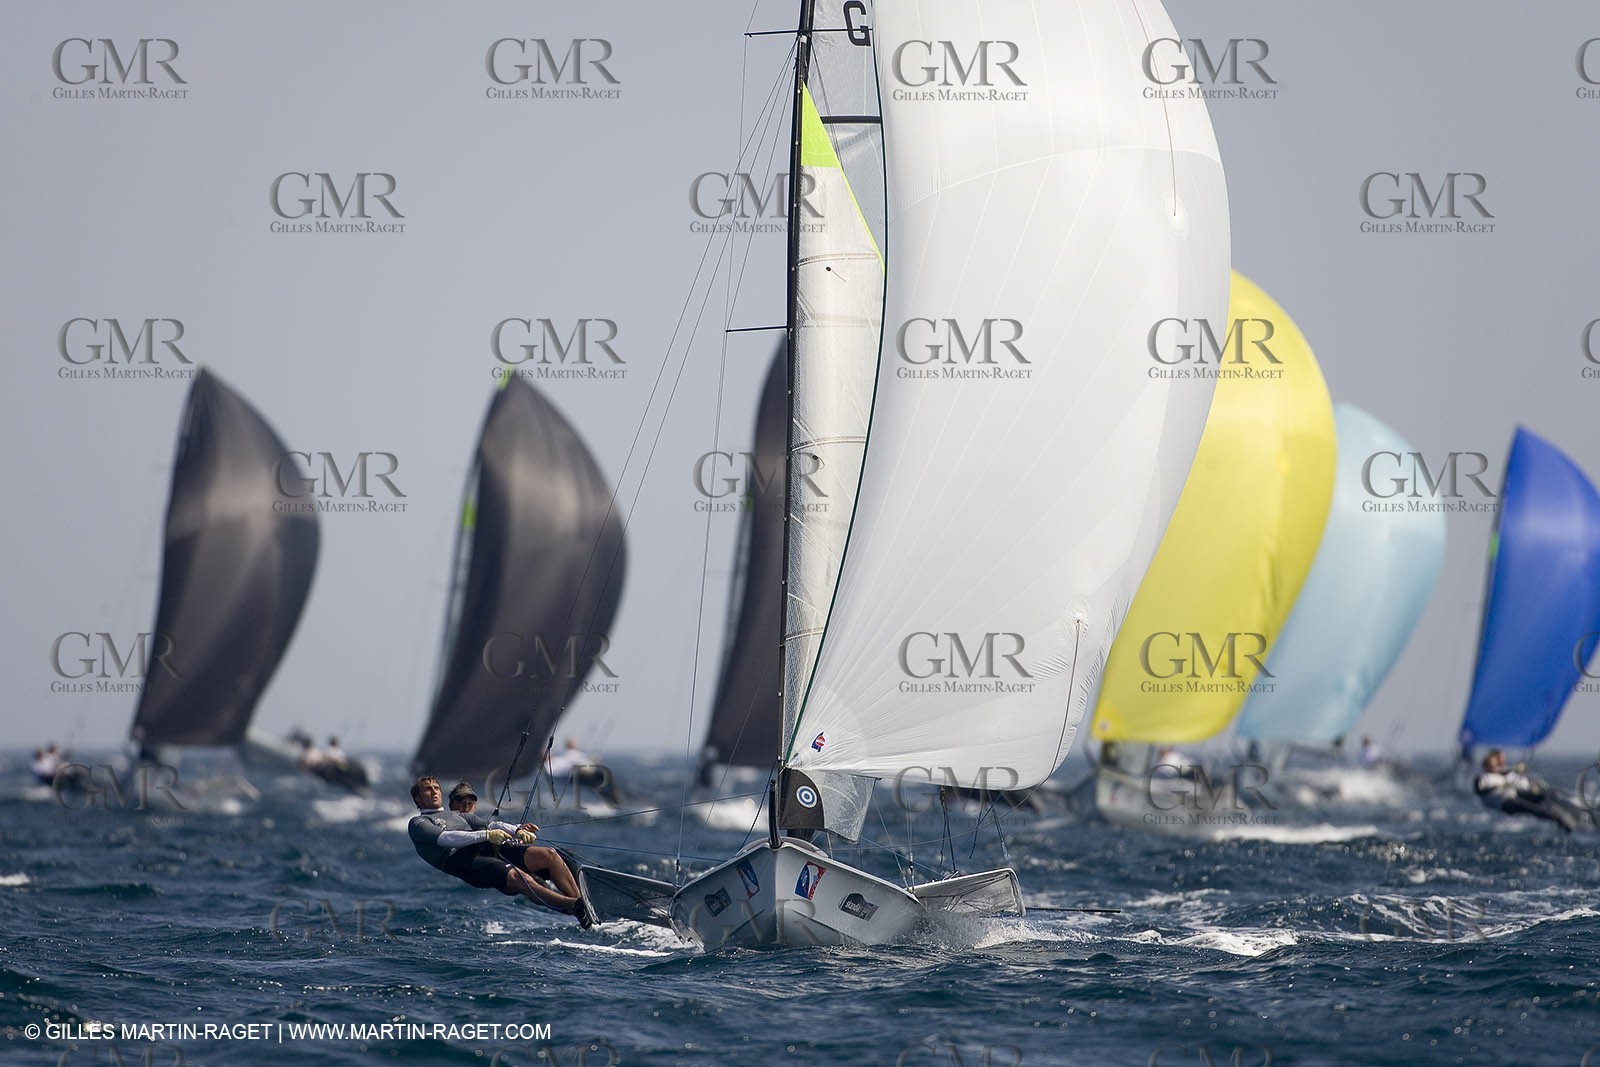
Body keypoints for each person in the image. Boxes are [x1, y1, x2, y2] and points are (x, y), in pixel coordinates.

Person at [407, 775, 591, 925]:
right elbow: (446, 838)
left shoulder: (457, 815)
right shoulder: (418, 823)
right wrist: (486, 835)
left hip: (485, 848)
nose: (434, 792)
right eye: (427, 789)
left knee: (549, 855)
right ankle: (574, 905)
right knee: (520, 879)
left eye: (436, 788)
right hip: (461, 861)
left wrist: (517, 830)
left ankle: (584, 906)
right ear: (418, 798)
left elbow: (492, 824)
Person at [1473, 749, 1583, 832]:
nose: (1497, 766)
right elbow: (1480, 790)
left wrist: (1533, 785)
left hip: (1514, 795)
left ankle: (1576, 812)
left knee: (1547, 794)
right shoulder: (1483, 778)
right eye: (1492, 765)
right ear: (1486, 766)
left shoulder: (1506, 774)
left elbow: (1521, 783)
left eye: (1497, 764)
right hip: (1504, 803)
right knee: (1534, 809)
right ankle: (1560, 820)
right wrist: (1502, 785)